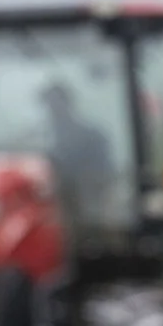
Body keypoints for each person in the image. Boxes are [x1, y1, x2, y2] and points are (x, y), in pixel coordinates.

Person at [42, 80, 118, 228]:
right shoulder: (38, 142)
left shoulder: (92, 137)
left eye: (56, 103)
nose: (53, 109)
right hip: (53, 219)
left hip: (87, 215)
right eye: (49, 104)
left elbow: (105, 177)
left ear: (67, 104)